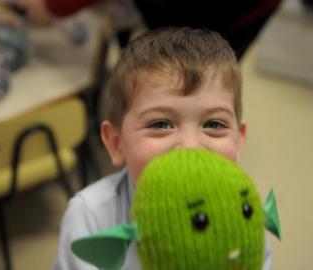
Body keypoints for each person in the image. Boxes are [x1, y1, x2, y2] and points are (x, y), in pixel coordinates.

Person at [54, 27, 272, 270]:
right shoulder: (90, 217)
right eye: (160, 124)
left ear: (239, 142)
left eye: (213, 124)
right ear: (116, 144)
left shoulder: (244, 210)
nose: (190, 149)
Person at [16, 0, 281, 59]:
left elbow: (49, 9)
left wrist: (46, 7)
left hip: (226, 14)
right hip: (253, 9)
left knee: (196, 73)